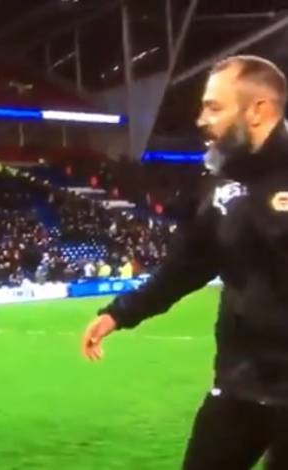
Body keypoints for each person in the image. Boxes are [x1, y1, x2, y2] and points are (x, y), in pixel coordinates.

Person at [81, 55, 288, 469]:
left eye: (214, 107)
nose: (201, 119)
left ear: (258, 110)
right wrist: (120, 313)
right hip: (240, 381)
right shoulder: (219, 182)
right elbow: (187, 264)